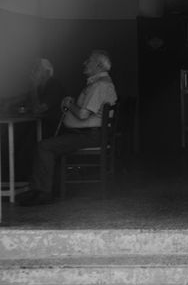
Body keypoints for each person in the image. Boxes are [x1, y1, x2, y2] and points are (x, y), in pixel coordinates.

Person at [19, 50, 118, 206]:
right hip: (89, 134)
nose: (85, 63)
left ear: (99, 65)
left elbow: (83, 115)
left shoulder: (99, 85)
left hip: (90, 136)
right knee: (46, 143)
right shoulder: (100, 84)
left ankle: (43, 192)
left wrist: (69, 103)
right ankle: (40, 188)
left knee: (44, 146)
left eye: (89, 61)